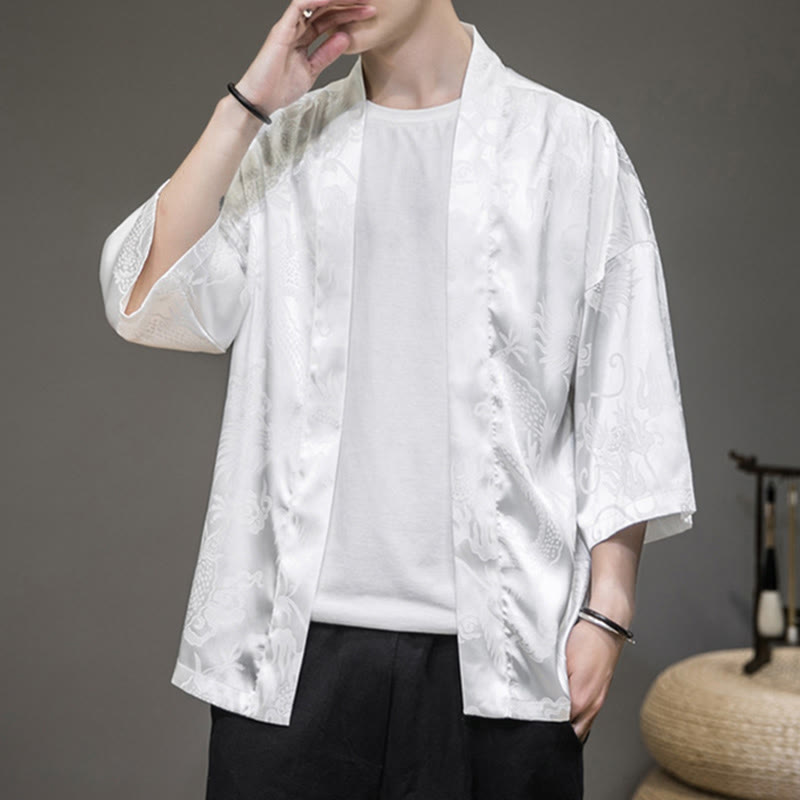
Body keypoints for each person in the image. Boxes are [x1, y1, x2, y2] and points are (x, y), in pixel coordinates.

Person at [98, 1, 697, 797]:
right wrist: (248, 105)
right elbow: (146, 297)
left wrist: (608, 611)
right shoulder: (283, 143)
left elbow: (627, 385)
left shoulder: (568, 144)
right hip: (289, 660)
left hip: (503, 659)